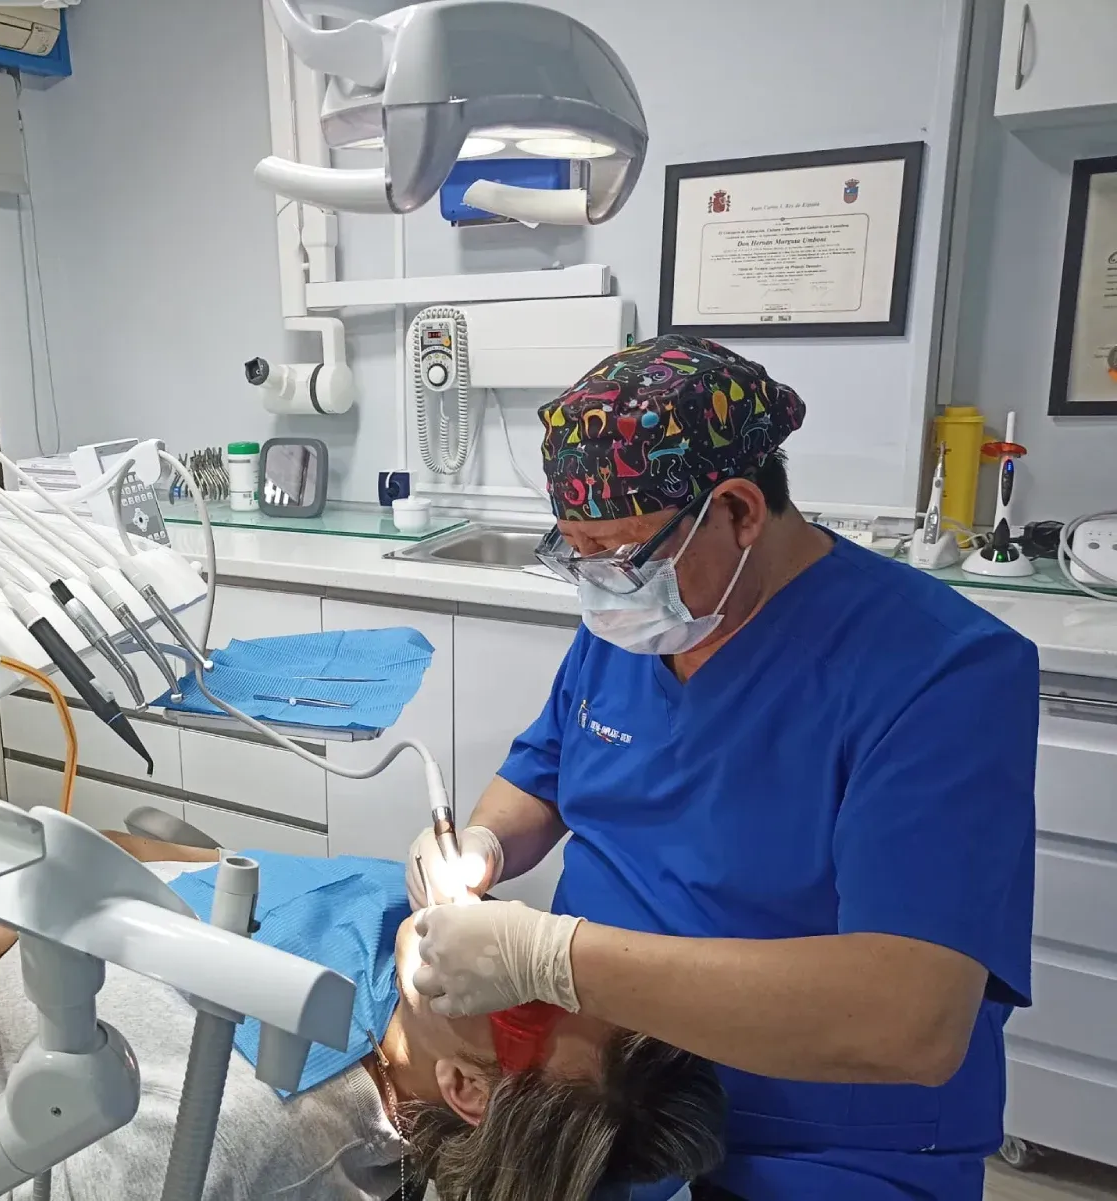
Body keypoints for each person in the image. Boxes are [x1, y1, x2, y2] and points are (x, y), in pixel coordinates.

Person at [0, 665, 727, 1200]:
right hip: (40, 872)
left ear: (467, 1089)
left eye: (530, 991)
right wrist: (97, 850)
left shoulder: (258, 1131)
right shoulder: (397, 955)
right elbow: (225, 880)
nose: (508, 939)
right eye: (555, 945)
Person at [405, 335, 1039, 1201]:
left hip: (818, 1134)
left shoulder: (937, 674)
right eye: (575, 553)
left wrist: (551, 957)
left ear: (740, 510)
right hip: (603, 1095)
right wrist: (480, 845)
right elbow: (547, 768)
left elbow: (910, 1019)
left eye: (620, 555)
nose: (600, 588)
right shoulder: (641, 624)